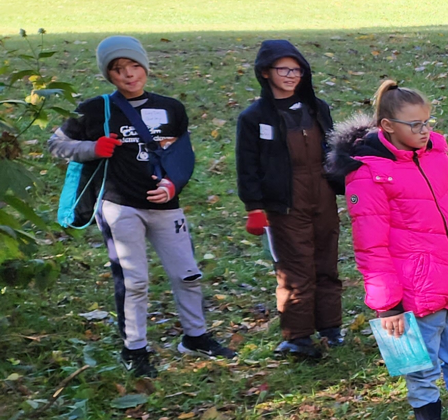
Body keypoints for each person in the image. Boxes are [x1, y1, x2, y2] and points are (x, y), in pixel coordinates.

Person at [50, 36, 233, 377]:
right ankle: (134, 349)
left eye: (134, 66)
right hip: (119, 206)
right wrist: (92, 148)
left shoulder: (172, 108)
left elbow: (181, 154)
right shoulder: (94, 109)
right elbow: (56, 145)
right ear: (109, 74)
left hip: (167, 206)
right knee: (133, 280)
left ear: (145, 67)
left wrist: (172, 183)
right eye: (118, 70)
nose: (129, 75)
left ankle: (195, 337)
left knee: (188, 274)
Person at [331, 81, 448, 420]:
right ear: (387, 126)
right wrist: (387, 304)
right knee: (421, 362)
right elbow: (371, 245)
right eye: (414, 124)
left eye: (427, 122)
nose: (424, 130)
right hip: (413, 288)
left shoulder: (435, 155)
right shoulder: (368, 173)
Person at [234, 39, 344, 361]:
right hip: (284, 201)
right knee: (296, 268)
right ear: (265, 73)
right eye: (283, 69)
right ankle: (297, 336)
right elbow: (247, 165)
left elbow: (335, 150)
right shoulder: (254, 118)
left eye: (296, 69)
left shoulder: (317, 108)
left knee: (326, 261)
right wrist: (253, 206)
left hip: (322, 195)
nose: (291, 75)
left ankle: (331, 328)